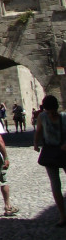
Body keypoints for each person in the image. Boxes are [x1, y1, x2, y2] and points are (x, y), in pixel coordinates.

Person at [33, 94, 66, 227]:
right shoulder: (44, 117)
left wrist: (36, 143)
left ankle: (63, 216)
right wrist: (36, 143)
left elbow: (39, 131)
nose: (50, 114)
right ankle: (62, 215)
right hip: (53, 152)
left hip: (60, 152)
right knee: (55, 184)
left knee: (55, 183)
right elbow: (39, 131)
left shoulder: (62, 117)